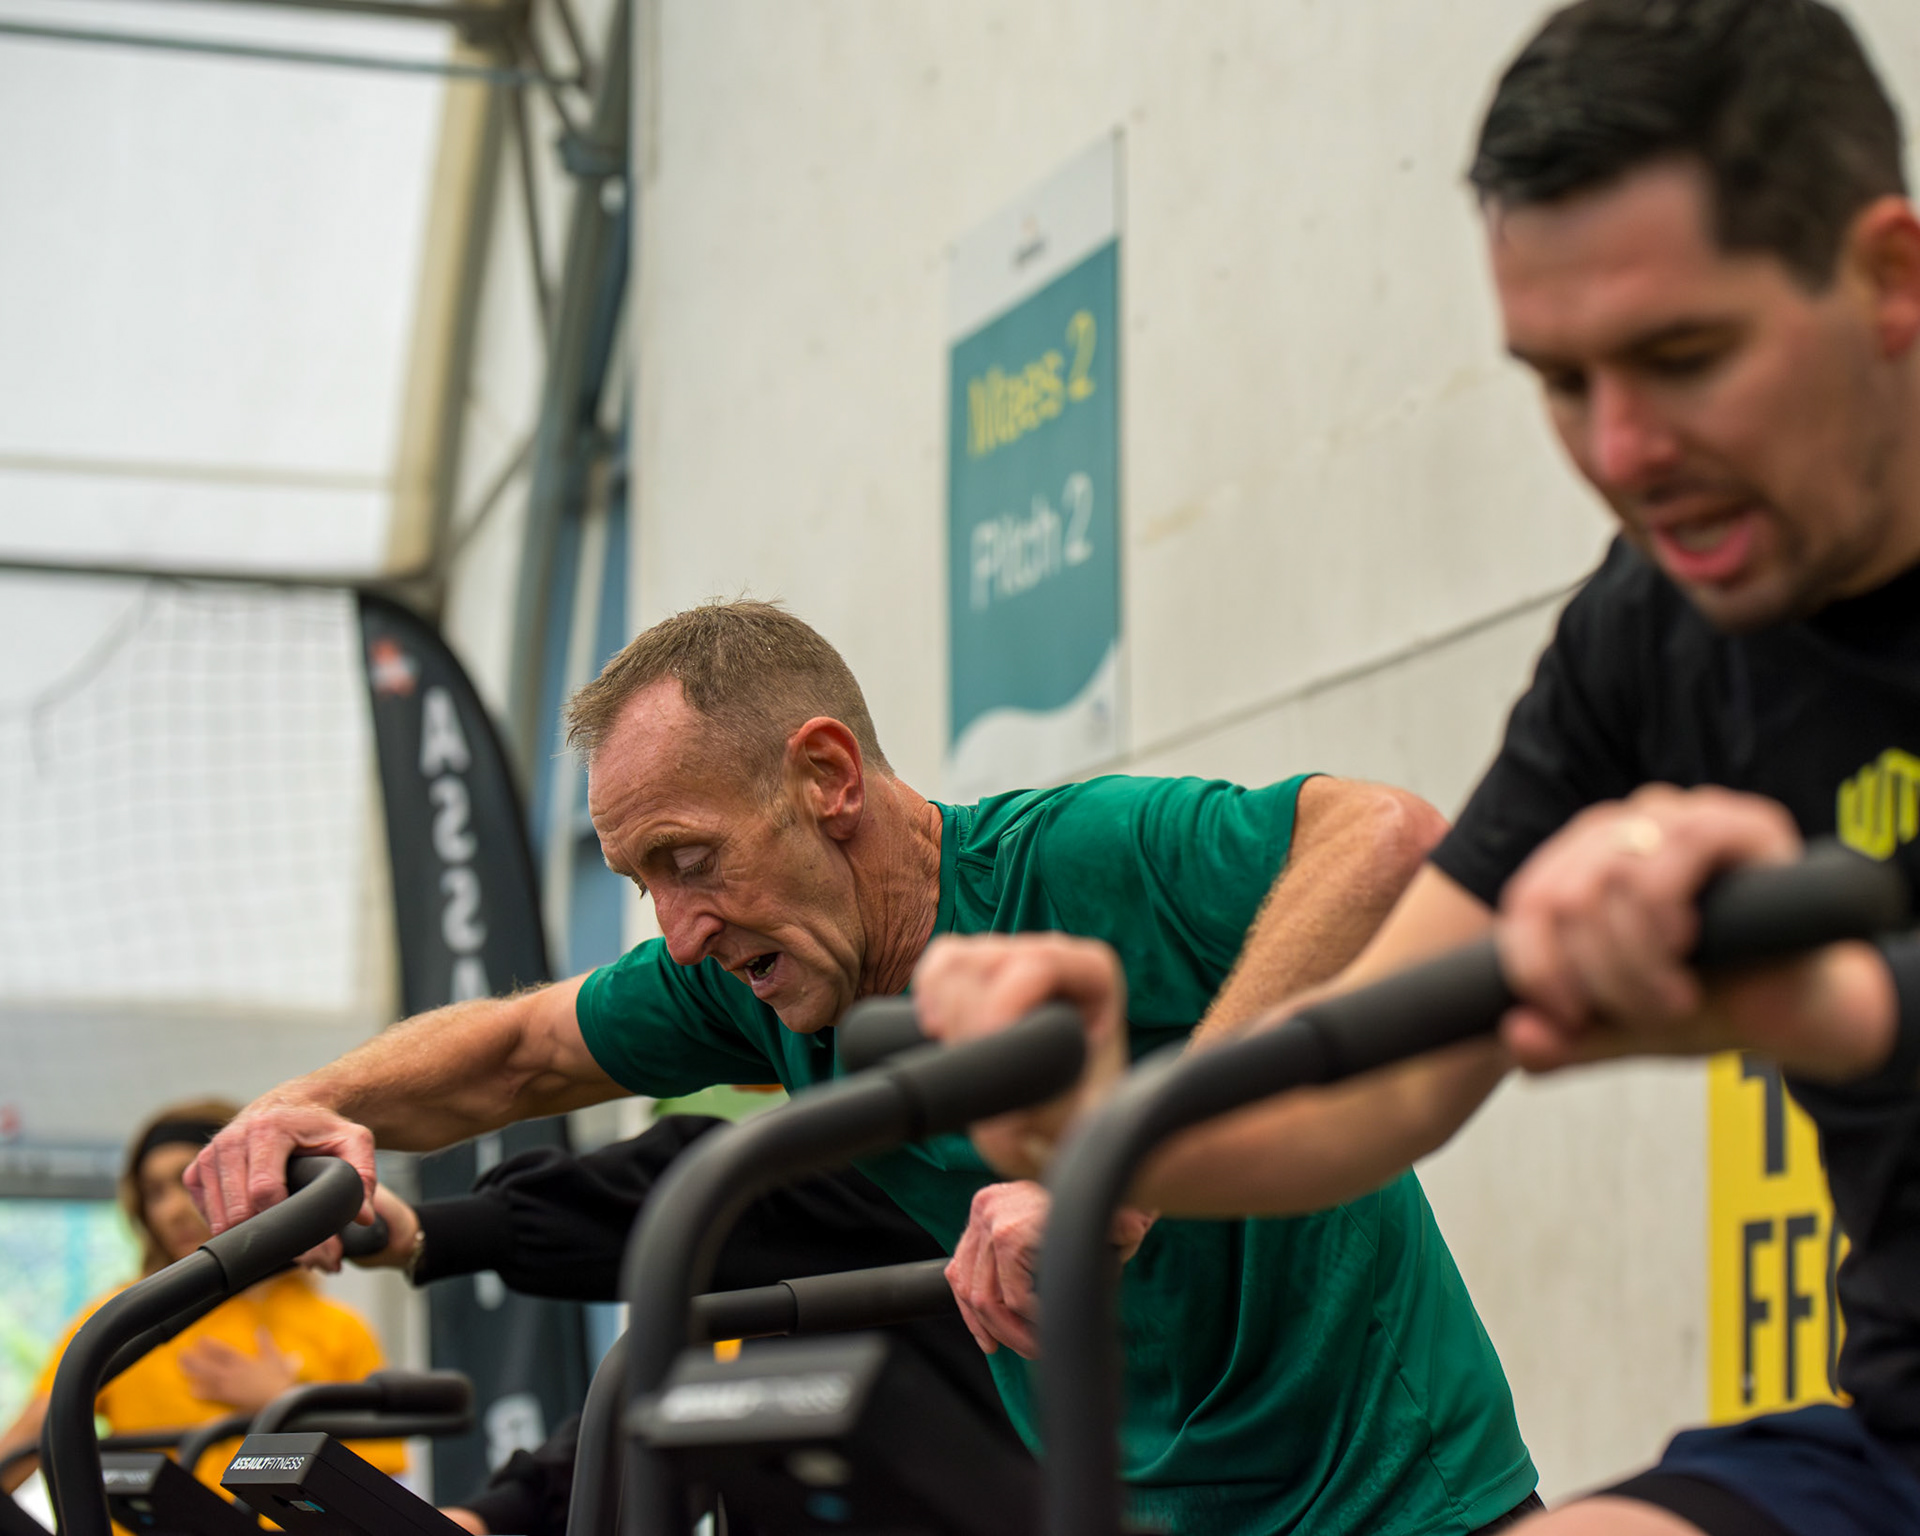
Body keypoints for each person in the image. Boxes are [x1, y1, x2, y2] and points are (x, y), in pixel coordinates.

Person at [908, 4, 1920, 1534]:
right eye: (1562, 382)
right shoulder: (1652, 626)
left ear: (1888, 278)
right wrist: (1097, 1116)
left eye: (1684, 357)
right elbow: (1371, 1075)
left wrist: (1842, 1009)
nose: (1623, 452)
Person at [188, 599, 1541, 1534]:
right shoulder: (759, 974)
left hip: (1396, 1495)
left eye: (690, 858)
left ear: (827, 776)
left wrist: (1127, 1154)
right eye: (645, 881)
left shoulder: (1073, 863)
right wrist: (308, 1105)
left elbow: (1386, 840)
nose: (680, 927)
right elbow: (517, 1051)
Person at [349, 1114, 1019, 1536]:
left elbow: (717, 1189)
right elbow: (690, 1404)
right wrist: (492, 1516)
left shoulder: (916, 1173)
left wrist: (431, 1231)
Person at [0, 1100, 403, 1499]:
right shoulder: (120, 1320)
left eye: (191, 1182)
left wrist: (285, 1405)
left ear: (248, 1181)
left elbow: (385, 1488)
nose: (172, 1210)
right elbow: (23, 1447)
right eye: (155, 1193)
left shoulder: (338, 1329)